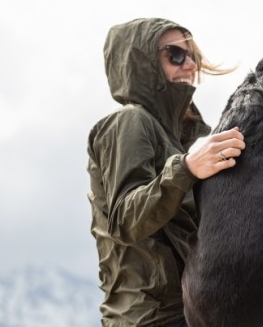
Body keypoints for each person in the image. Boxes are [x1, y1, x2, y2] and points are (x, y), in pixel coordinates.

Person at [86, 18, 246, 326]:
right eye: (174, 54)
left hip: (198, 314)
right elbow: (125, 220)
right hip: (151, 318)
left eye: (193, 56)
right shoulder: (129, 122)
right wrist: (186, 169)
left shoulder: (186, 137)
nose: (189, 64)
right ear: (141, 61)